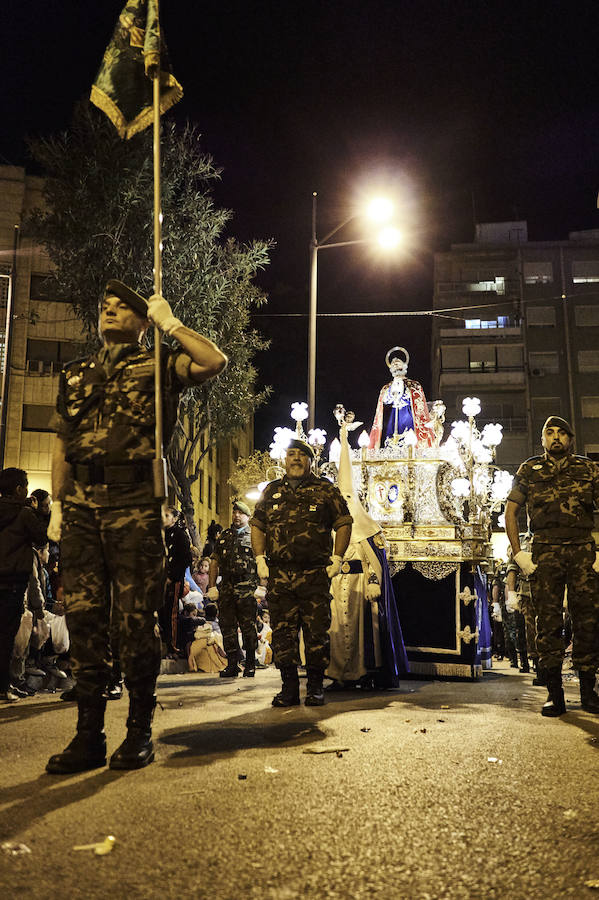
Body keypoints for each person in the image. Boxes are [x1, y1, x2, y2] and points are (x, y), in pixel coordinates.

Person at [45, 279, 227, 773]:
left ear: (143, 321)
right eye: (104, 305)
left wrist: (173, 324)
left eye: (122, 306)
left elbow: (214, 362)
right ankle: (88, 736)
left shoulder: (161, 365)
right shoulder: (75, 373)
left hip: (133, 506)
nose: (108, 309)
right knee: (84, 623)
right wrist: (58, 508)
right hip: (81, 508)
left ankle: (139, 731)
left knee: (132, 625)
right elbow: (62, 442)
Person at [505, 416, 599, 717]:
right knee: (548, 623)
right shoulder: (529, 469)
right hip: (545, 551)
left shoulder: (588, 468)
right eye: (550, 433)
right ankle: (554, 694)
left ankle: (588, 690)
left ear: (570, 439)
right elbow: (511, 511)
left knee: (587, 620)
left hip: (582, 549)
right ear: (542, 440)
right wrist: (519, 554)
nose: (556, 437)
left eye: (562, 433)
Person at [250, 439, 352, 706]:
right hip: (280, 575)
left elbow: (344, 523)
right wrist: (260, 558)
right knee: (283, 634)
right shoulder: (271, 491)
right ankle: (289, 689)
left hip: (314, 574)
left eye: (301, 455)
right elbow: (258, 525)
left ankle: (316, 687)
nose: (295, 459)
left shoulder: (325, 490)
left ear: (310, 460)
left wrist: (338, 557)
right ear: (285, 459)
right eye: (291, 454)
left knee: (316, 633)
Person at [0, 468, 48, 702]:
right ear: (19, 489)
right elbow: (42, 538)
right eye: (26, 486)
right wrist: (37, 512)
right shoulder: (24, 514)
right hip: (14, 582)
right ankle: (3, 686)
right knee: (7, 636)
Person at [207, 500, 260, 678]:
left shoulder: (255, 536)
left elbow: (263, 560)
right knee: (227, 626)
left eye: (241, 513)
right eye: (234, 512)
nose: (236, 515)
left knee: (248, 627)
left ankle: (250, 663)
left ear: (247, 516)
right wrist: (212, 586)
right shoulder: (224, 536)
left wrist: (262, 586)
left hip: (247, 587)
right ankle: (232, 664)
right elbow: (214, 562)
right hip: (227, 587)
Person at [368, 346, 434, 450]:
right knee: (390, 439)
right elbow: (384, 402)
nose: (395, 365)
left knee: (408, 436)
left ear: (404, 365)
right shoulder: (387, 387)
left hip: (407, 414)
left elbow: (417, 400)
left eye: (398, 363)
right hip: (392, 414)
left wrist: (405, 392)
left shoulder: (414, 385)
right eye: (393, 365)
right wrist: (391, 393)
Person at [160, 506, 193, 656]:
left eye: (167, 515)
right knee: (158, 613)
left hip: (173, 581)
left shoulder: (179, 535)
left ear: (174, 518)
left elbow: (185, 559)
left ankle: (171, 645)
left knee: (170, 614)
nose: (163, 518)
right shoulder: (159, 534)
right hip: (158, 580)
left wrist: (171, 576)